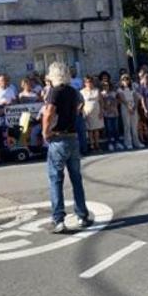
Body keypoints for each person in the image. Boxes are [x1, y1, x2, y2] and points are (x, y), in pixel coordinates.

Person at [41, 62, 93, 234]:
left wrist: (45, 131)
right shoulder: (73, 91)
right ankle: (82, 215)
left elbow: (49, 112)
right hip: (72, 137)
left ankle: (58, 219)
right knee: (76, 178)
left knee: (56, 179)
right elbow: (80, 104)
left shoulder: (55, 91)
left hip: (58, 138)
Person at [118, 74, 144, 149]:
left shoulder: (132, 88)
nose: (126, 81)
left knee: (134, 125)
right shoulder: (120, 89)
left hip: (133, 106)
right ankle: (128, 143)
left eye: (127, 79)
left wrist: (135, 106)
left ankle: (137, 142)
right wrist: (128, 107)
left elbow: (136, 97)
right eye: (124, 80)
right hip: (125, 106)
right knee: (127, 125)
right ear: (121, 81)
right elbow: (122, 98)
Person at [80, 76, 104, 152]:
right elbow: (81, 103)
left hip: (96, 111)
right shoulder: (82, 92)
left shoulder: (97, 90)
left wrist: (101, 111)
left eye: (90, 81)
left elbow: (101, 101)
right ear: (85, 83)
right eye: (87, 82)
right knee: (90, 130)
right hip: (87, 112)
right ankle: (91, 145)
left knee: (96, 129)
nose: (89, 83)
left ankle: (97, 144)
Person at [101, 79, 121, 151]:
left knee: (116, 128)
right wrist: (108, 108)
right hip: (107, 114)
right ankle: (110, 143)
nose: (106, 86)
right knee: (109, 129)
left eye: (107, 85)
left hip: (115, 113)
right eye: (104, 85)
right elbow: (102, 103)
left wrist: (114, 107)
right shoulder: (102, 94)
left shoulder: (113, 93)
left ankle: (117, 142)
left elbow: (118, 100)